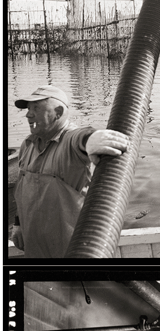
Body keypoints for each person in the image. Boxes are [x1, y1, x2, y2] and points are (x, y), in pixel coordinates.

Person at [12, 85, 129, 258]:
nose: (28, 114)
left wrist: (92, 139)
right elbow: (22, 190)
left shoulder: (68, 140)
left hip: (71, 252)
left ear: (58, 112)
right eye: (28, 109)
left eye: (36, 108)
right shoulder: (27, 144)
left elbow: (80, 137)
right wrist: (18, 224)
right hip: (34, 249)